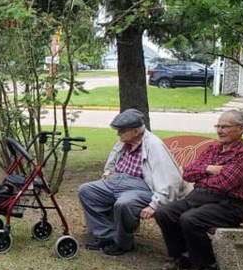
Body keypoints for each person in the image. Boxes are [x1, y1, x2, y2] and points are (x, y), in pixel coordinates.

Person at [154, 109, 243, 270]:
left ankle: (207, 266)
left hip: (228, 206)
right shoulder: (214, 149)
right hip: (200, 199)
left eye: (225, 127)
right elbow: (188, 173)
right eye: (218, 126)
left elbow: (225, 183)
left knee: (190, 219)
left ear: (241, 129)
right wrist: (208, 169)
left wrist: (201, 178)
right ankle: (180, 256)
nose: (219, 131)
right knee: (164, 212)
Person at [77, 108, 185, 256]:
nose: (118, 133)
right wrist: (106, 180)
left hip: (140, 187)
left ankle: (122, 243)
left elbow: (168, 180)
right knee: (86, 190)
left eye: (122, 130)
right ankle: (107, 236)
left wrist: (155, 204)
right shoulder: (122, 144)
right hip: (115, 180)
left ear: (135, 131)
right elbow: (109, 168)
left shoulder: (154, 146)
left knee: (124, 203)